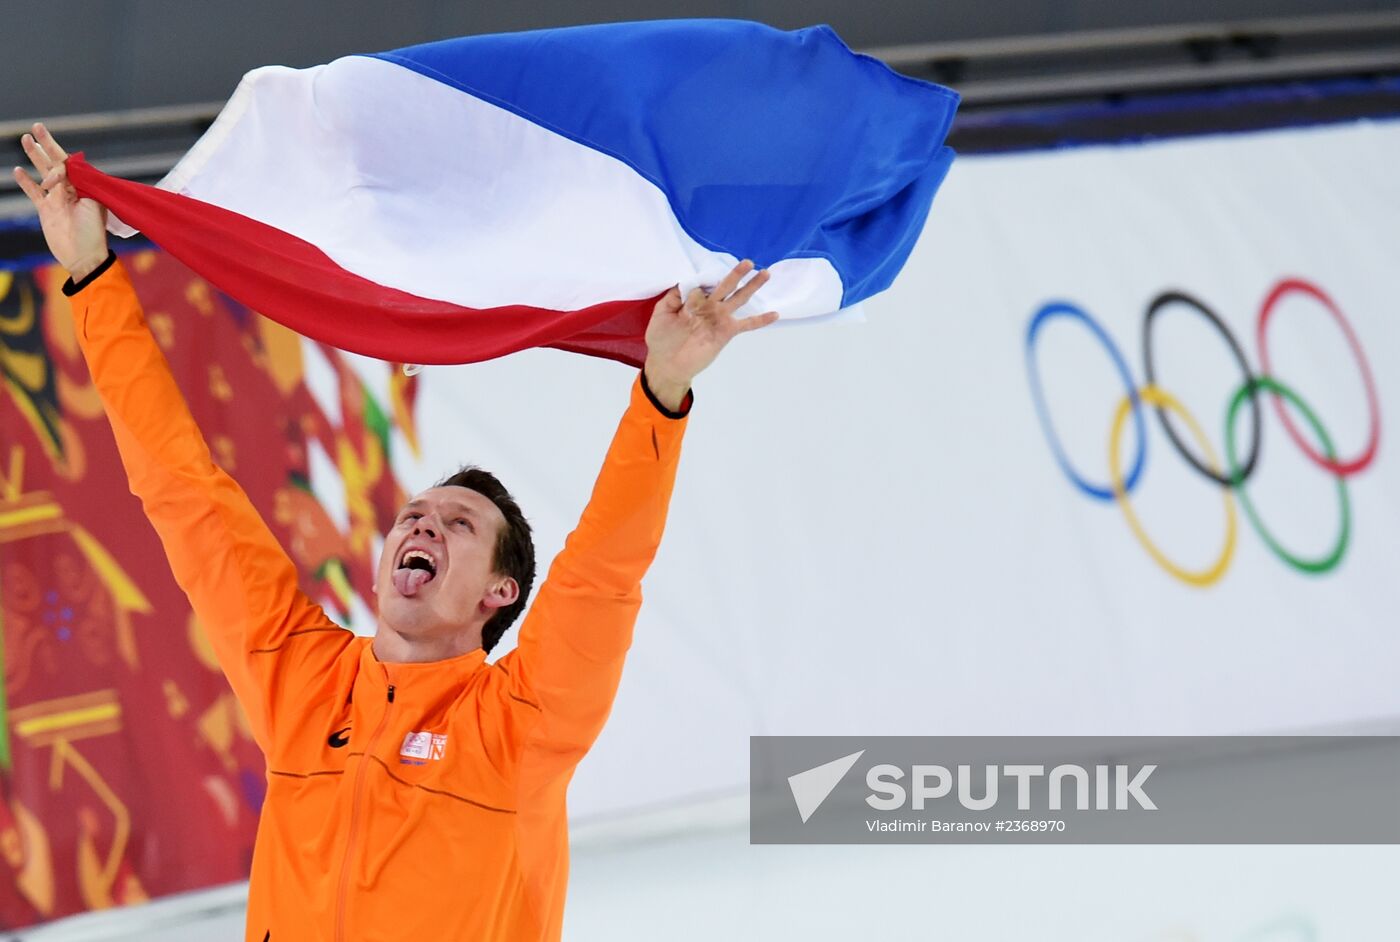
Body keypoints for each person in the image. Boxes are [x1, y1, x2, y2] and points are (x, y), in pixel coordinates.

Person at [14, 122, 778, 941]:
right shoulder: (300, 680)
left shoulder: (521, 722)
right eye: (416, 515)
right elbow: (182, 491)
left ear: (500, 591)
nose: (423, 524)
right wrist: (92, 277)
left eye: (458, 525)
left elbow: (602, 572)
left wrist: (661, 394)